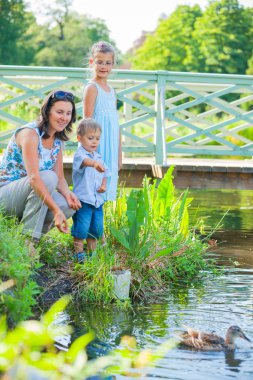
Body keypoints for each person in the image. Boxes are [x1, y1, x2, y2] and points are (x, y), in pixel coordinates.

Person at [0, 90, 81, 245]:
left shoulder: (57, 140)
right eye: (59, 112)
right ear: (47, 111)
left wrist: (68, 193)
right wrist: (55, 211)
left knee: (67, 205)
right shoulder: (30, 134)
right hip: (5, 194)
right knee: (47, 178)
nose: (64, 117)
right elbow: (34, 178)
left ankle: (21, 239)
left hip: (28, 194)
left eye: (68, 113)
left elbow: (60, 178)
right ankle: (28, 243)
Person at [83, 40, 122, 202]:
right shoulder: (92, 88)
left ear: (112, 65)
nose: (103, 66)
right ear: (92, 63)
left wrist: (119, 153)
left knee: (107, 183)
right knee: (94, 183)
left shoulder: (111, 91)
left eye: (108, 63)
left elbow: (115, 124)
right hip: (97, 145)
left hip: (111, 144)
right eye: (99, 62)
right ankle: (88, 222)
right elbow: (87, 123)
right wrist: (90, 152)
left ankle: (99, 222)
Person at [71, 118, 110, 262]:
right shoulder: (80, 155)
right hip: (83, 199)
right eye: (90, 138)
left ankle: (92, 254)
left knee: (96, 228)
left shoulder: (98, 156)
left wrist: (104, 185)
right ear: (79, 138)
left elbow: (106, 172)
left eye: (97, 139)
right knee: (81, 227)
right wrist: (94, 164)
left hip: (97, 201)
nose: (94, 142)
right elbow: (85, 162)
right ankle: (79, 253)